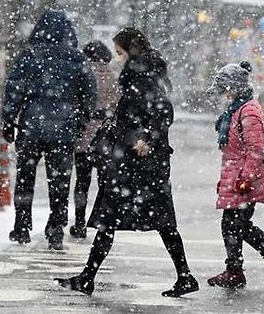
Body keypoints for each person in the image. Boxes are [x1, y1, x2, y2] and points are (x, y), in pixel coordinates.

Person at [55, 27, 198, 297]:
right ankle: (90, 276)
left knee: (121, 219)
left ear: (128, 50)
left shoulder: (138, 74)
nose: (117, 57)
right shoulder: (143, 72)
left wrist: (143, 139)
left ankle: (90, 277)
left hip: (138, 163)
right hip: (141, 163)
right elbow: (147, 112)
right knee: (149, 221)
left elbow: (161, 111)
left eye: (119, 51)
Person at [2, 10, 97, 250]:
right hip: (64, 129)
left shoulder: (29, 56)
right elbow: (89, 94)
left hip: (31, 126)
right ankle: (56, 227)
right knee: (60, 181)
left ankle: (22, 226)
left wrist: (8, 120)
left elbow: (14, 90)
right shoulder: (77, 59)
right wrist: (81, 120)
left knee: (25, 177)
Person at [205, 61, 264, 290]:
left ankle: (242, 268)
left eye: (224, 89)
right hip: (236, 176)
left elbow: (256, 150)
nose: (223, 95)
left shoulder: (248, 111)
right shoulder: (237, 109)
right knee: (235, 225)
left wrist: (245, 178)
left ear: (233, 87)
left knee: (233, 224)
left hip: (245, 179)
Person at [70, 40, 119, 240]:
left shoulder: (81, 76)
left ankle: (79, 223)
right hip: (105, 137)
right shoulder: (115, 78)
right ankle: (102, 222)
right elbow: (118, 106)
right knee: (103, 182)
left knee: (82, 181)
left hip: (83, 136)